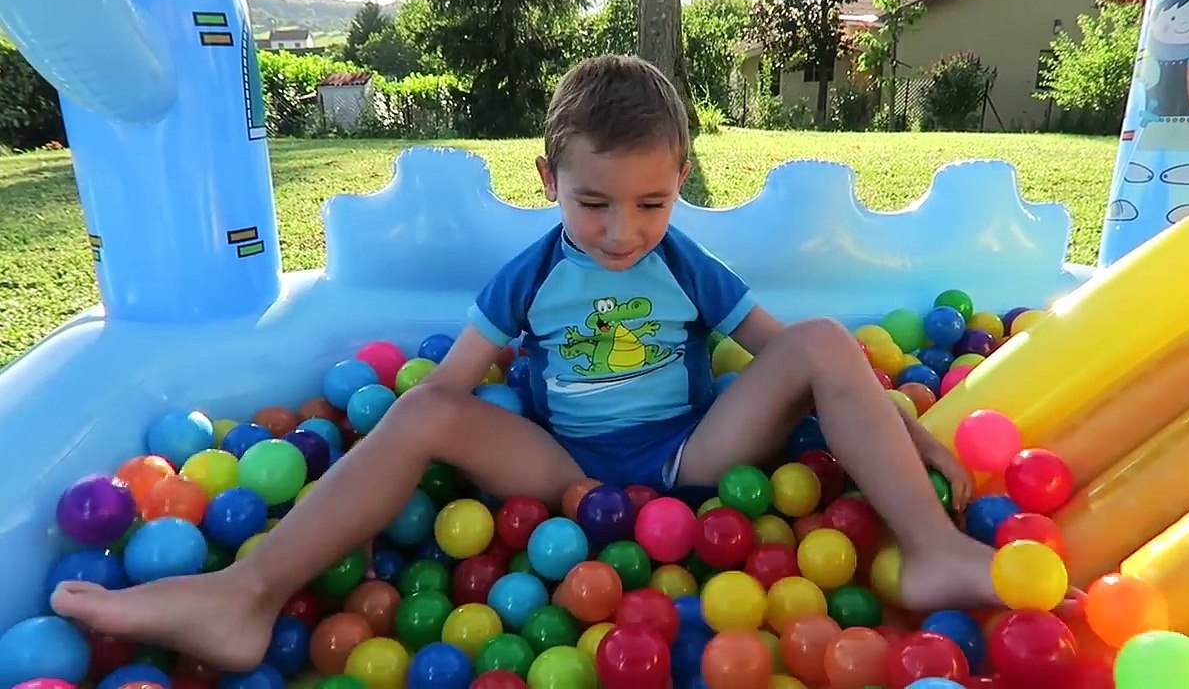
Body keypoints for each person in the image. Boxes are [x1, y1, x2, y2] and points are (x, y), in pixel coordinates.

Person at [50, 55, 999, 671]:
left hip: (690, 460)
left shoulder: (686, 264)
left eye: (652, 203)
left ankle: (928, 550)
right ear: (548, 181)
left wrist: (899, 422)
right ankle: (244, 592)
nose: (624, 232)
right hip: (561, 471)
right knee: (416, 412)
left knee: (829, 339)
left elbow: (788, 355)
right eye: (594, 204)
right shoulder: (528, 277)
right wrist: (377, 493)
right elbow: (455, 391)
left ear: (678, 188)